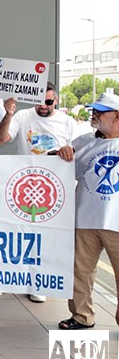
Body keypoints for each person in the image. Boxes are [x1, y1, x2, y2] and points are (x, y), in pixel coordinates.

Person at [0, 81, 75, 302]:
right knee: (12, 233)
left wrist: (67, 151)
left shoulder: (67, 122)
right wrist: (8, 114)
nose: (43, 107)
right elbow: (0, 140)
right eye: (39, 102)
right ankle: (1, 279)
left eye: (48, 102)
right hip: (22, 183)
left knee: (42, 237)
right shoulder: (22, 116)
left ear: (56, 100)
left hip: (49, 189)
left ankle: (36, 281)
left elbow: (78, 150)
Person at [56, 93, 119, 329]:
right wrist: (62, 153)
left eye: (101, 112)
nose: (95, 115)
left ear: (117, 116)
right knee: (80, 271)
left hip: (117, 221)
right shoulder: (83, 142)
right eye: (95, 110)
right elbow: (59, 169)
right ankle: (81, 316)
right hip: (85, 217)